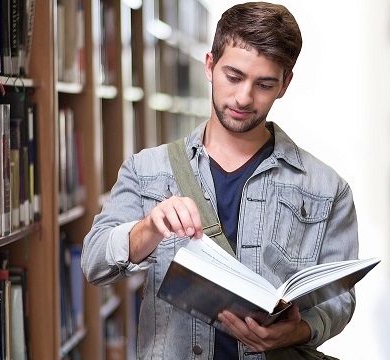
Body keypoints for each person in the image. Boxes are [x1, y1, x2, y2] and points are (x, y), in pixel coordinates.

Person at [82, 2, 360, 359]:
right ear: (210, 66)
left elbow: (340, 299)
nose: (244, 98)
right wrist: (148, 228)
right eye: (234, 76)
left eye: (264, 84)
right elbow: (93, 262)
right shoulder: (147, 169)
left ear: (285, 84)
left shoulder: (327, 189)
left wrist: (300, 330)